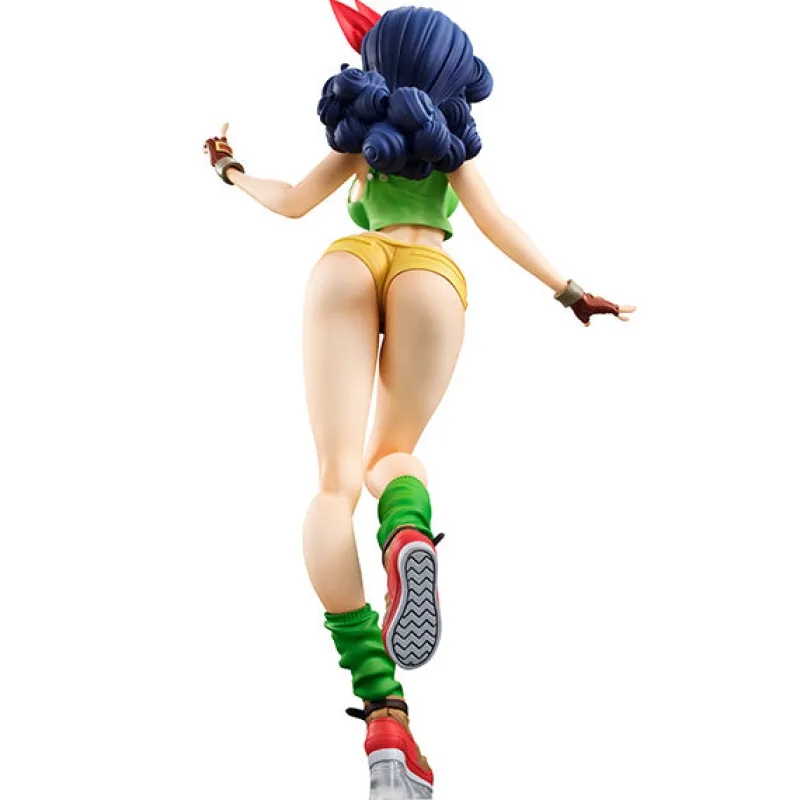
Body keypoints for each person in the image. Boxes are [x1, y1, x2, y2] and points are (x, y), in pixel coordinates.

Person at [204, 4, 635, 797]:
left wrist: (229, 168)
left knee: (333, 484)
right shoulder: (452, 144)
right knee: (392, 455)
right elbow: (498, 223)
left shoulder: (359, 136)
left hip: (345, 263)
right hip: (431, 278)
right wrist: (571, 291)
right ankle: (405, 530)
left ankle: (384, 707)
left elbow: (291, 201)